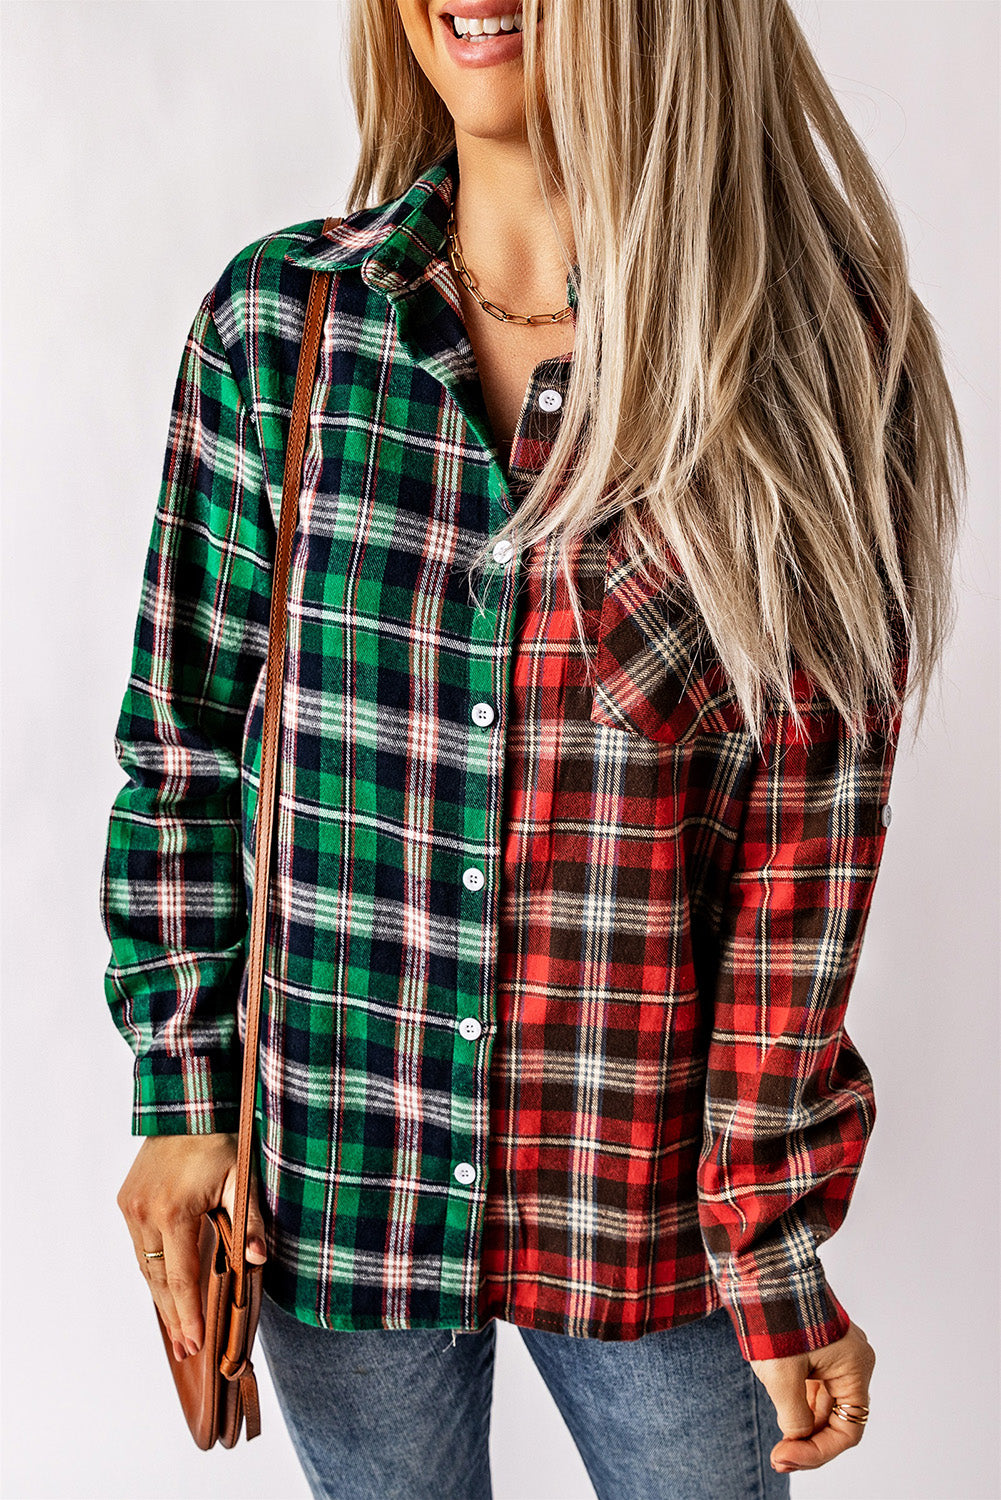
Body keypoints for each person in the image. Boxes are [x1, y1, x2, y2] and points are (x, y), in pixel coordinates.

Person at [100, 1, 964, 1496]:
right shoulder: (280, 331)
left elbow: (806, 858)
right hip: (339, 1184)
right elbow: (181, 743)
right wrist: (182, 1093)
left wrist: (769, 1237)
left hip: (647, 1216)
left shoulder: (807, 359)